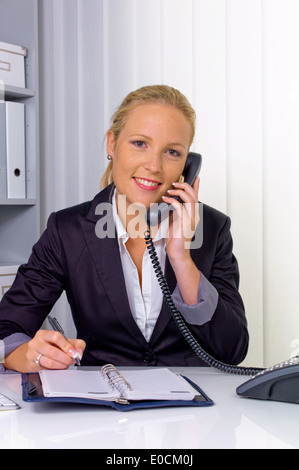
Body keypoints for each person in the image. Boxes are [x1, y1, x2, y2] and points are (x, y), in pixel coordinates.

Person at [0, 85, 248, 373]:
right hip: (105, 404)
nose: (153, 166)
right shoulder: (67, 230)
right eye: (140, 143)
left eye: (172, 152)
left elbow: (233, 351)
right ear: (112, 144)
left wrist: (181, 258)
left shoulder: (213, 228)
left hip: (194, 408)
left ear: (187, 165)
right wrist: (27, 354)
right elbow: (7, 326)